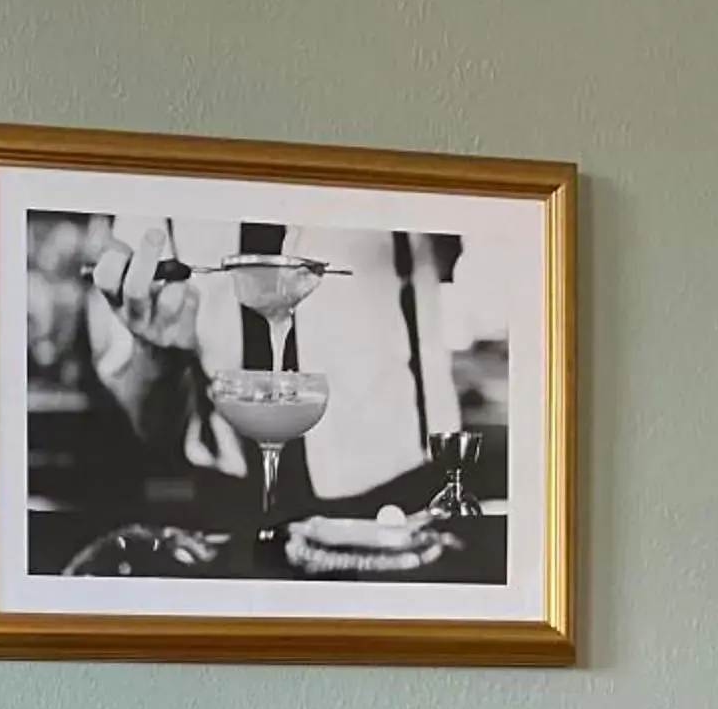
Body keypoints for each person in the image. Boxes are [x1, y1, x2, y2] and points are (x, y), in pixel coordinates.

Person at [76, 217, 466, 515]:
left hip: (402, 498)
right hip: (227, 505)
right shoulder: (164, 166)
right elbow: (150, 423)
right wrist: (158, 355)